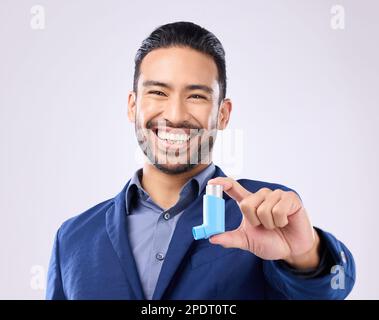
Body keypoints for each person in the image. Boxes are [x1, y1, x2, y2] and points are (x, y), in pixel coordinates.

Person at [46, 21, 355, 300]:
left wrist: (306, 255)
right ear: (132, 106)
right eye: (158, 92)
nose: (176, 115)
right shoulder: (73, 239)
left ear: (222, 114)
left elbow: (332, 289)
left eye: (196, 96)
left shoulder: (263, 214)